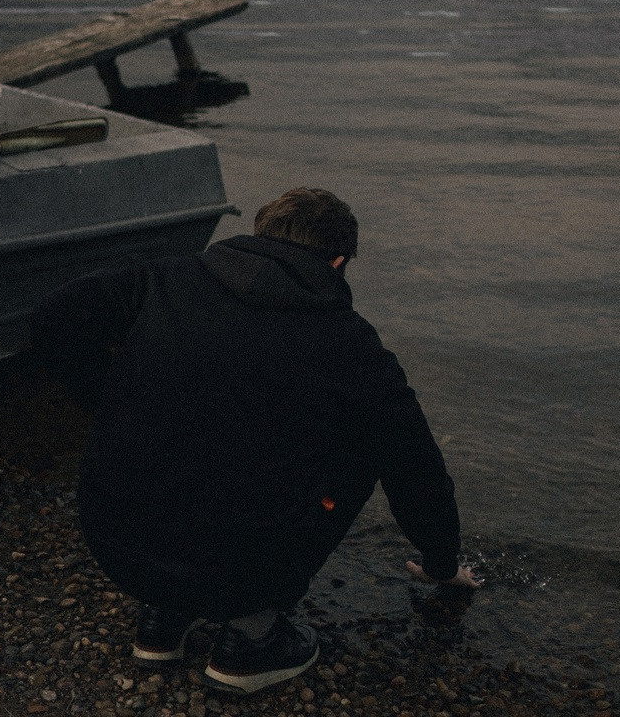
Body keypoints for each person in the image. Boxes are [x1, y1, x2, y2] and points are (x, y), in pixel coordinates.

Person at [32, 188, 480, 695]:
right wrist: (442, 566)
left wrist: (108, 398)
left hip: (115, 540)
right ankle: (252, 637)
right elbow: (416, 470)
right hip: (238, 572)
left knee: (204, 427)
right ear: (337, 261)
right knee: (369, 443)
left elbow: (52, 317)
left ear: (260, 236)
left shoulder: (161, 277)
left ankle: (165, 617)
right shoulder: (352, 345)